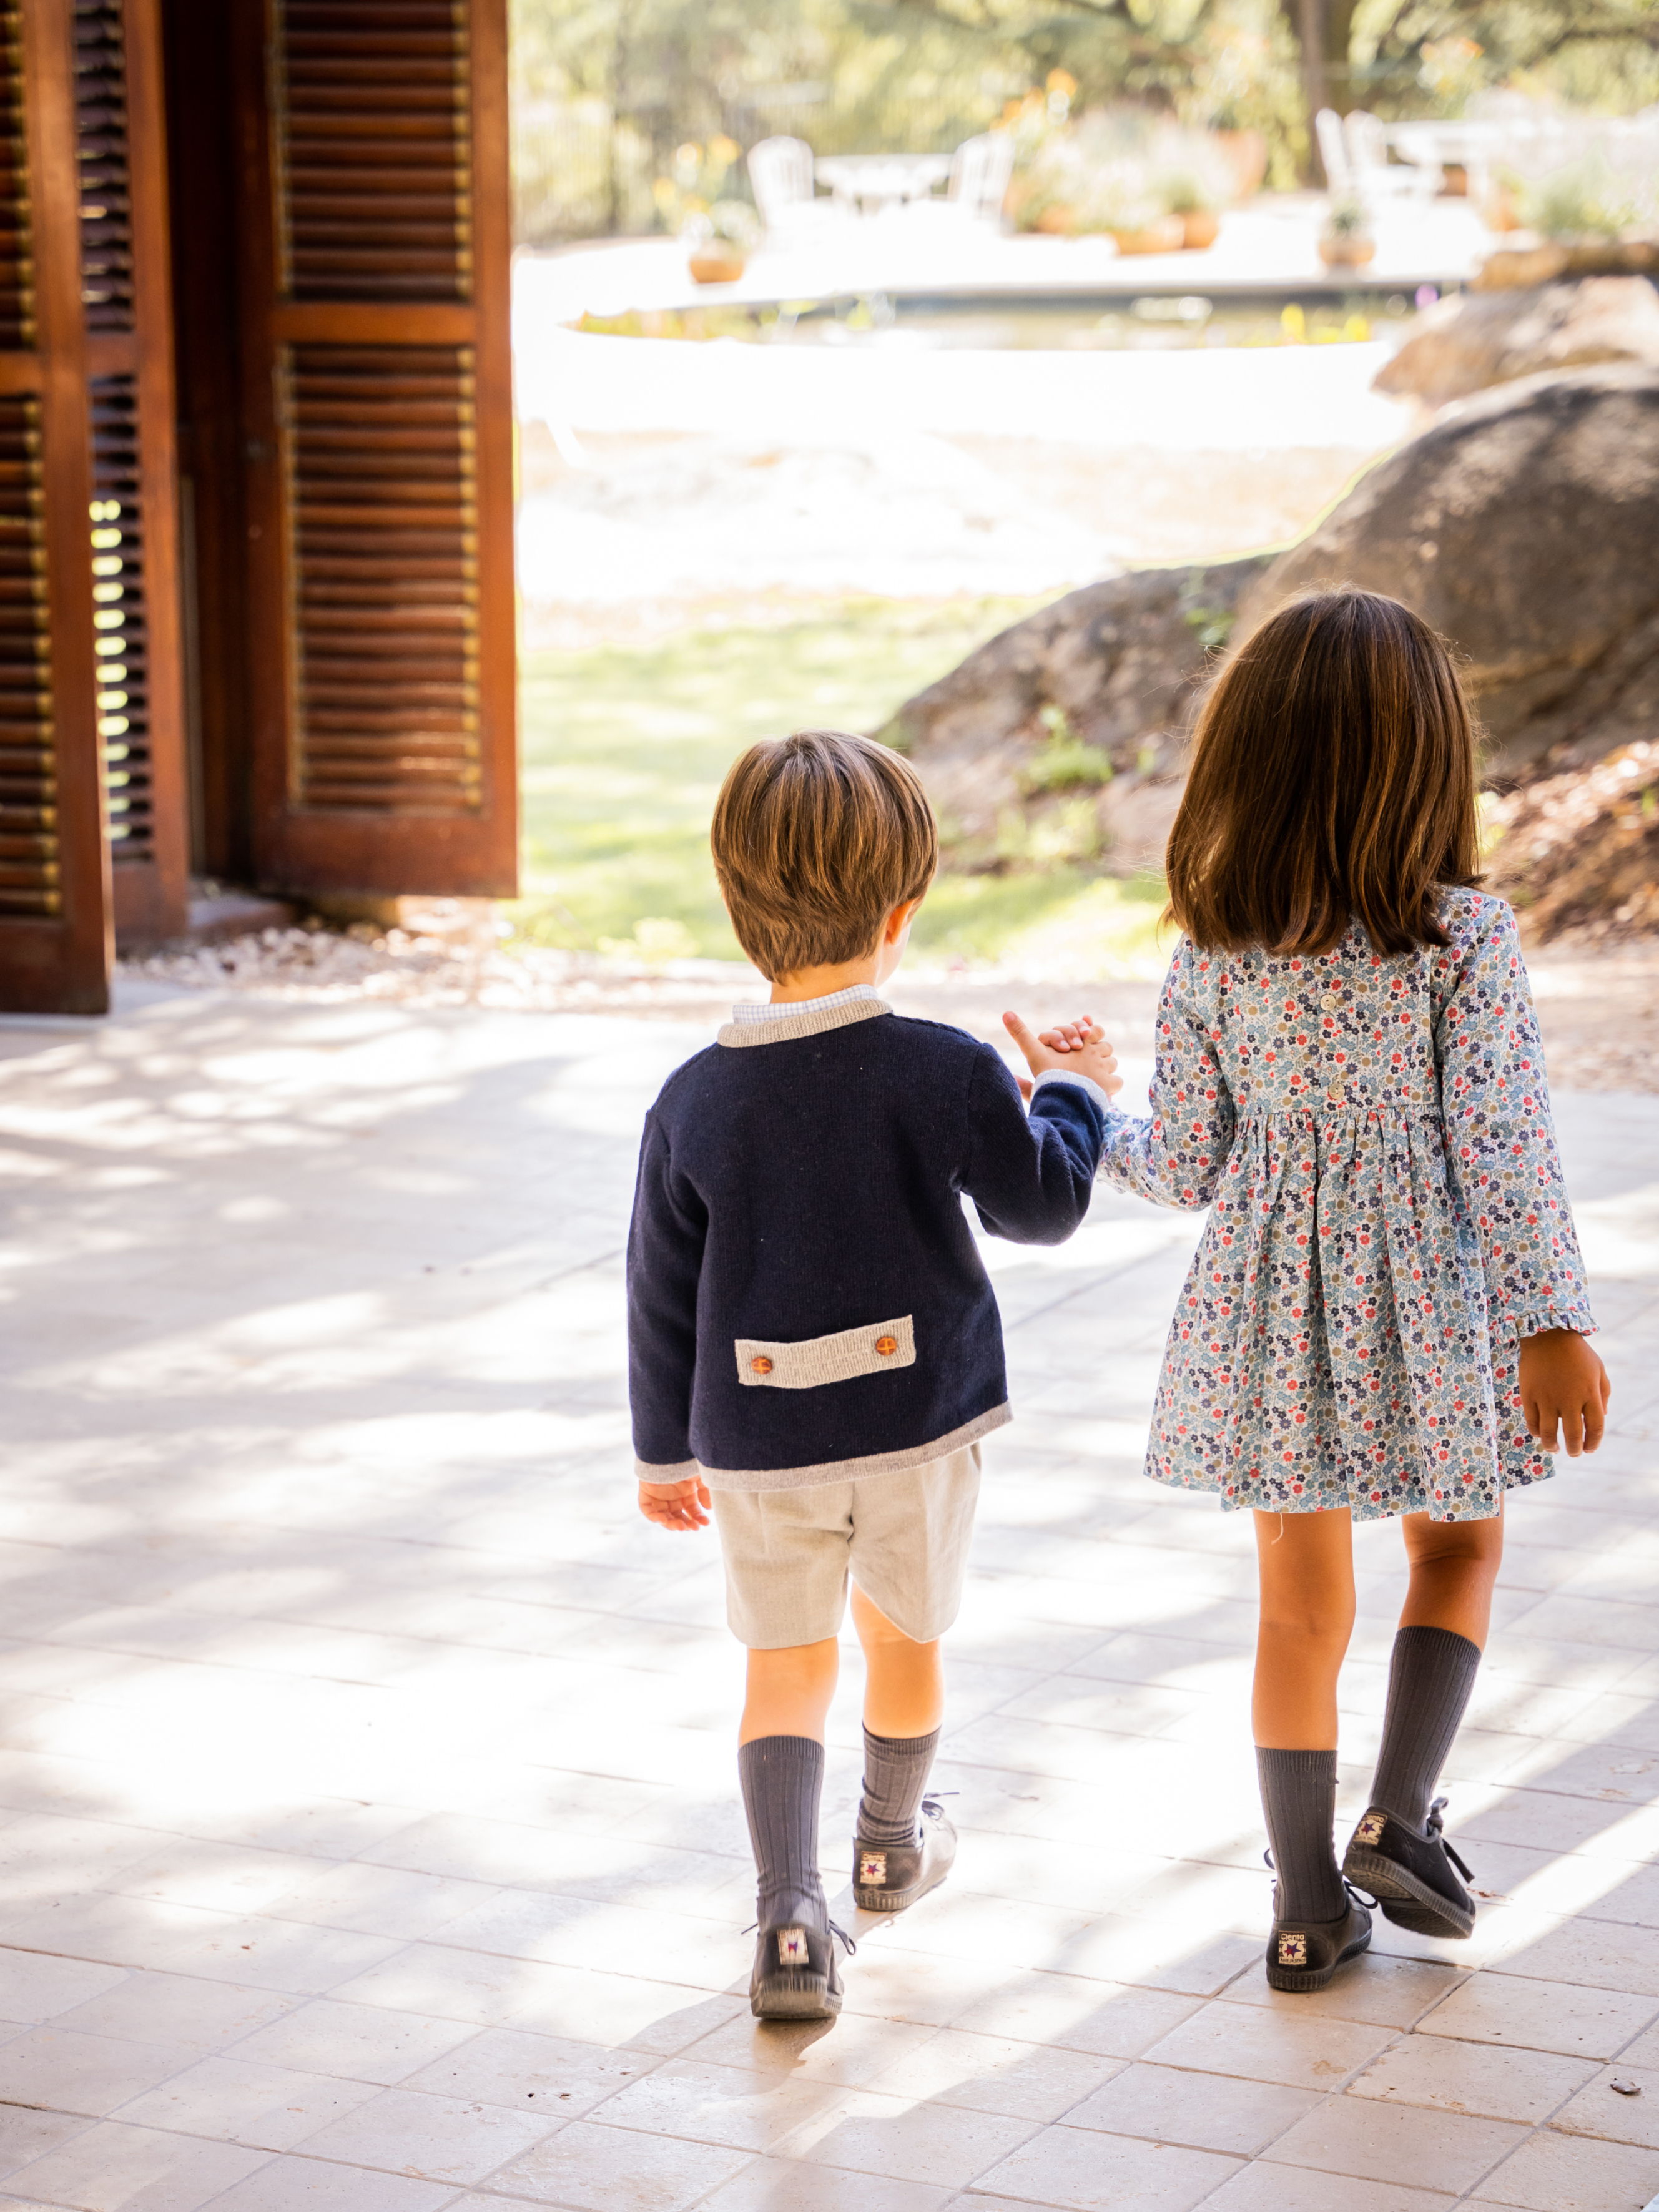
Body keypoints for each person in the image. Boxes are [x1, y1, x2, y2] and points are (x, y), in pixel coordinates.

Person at [1041, 589, 1608, 1994]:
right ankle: (1398, 1820)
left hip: (1268, 1313)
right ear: (1425, 761)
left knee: (1295, 1610)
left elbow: (1182, 1165)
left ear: (1245, 759)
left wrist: (1077, 1102)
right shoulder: (1458, 939)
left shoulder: (1214, 950)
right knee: (1454, 1550)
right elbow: (1501, 1144)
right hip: (1431, 1298)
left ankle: (1303, 1909)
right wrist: (1548, 1320)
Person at [628, 729, 1121, 2021]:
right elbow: (1042, 1207)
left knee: (782, 1669)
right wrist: (1069, 1089)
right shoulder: (945, 1067)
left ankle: (790, 1919)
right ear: (902, 912)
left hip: (753, 1439)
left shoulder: (690, 1101)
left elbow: (657, 1293)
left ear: (737, 912)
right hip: (915, 1425)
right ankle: (887, 1845)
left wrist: (660, 1454)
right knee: (902, 1638)